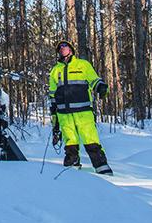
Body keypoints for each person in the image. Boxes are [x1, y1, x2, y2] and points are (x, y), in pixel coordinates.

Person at [48, 39, 113, 175]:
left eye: (65, 46)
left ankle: (102, 167)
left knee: (90, 139)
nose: (62, 48)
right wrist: (54, 110)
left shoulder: (83, 65)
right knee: (70, 141)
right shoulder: (55, 70)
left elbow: (94, 80)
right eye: (60, 47)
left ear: (71, 49)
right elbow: (52, 93)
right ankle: (72, 167)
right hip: (64, 113)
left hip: (83, 111)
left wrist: (101, 87)